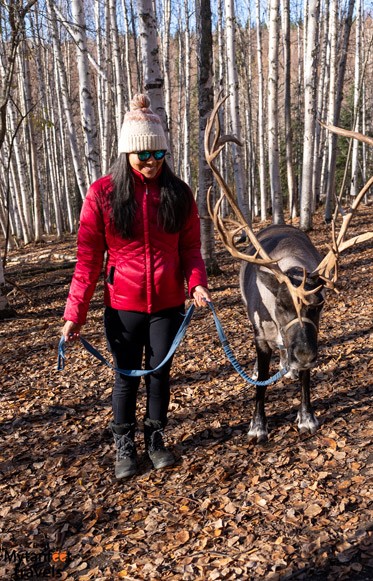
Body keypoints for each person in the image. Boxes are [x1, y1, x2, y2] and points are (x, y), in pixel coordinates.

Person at [62, 94, 211, 479]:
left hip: (168, 303)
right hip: (122, 304)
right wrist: (74, 314)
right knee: (126, 376)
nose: (150, 162)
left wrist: (197, 284)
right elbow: (88, 261)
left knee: (160, 373)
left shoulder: (179, 194)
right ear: (127, 152)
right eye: (142, 154)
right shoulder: (102, 195)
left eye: (157, 155)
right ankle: (124, 446)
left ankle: (156, 438)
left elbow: (191, 249)